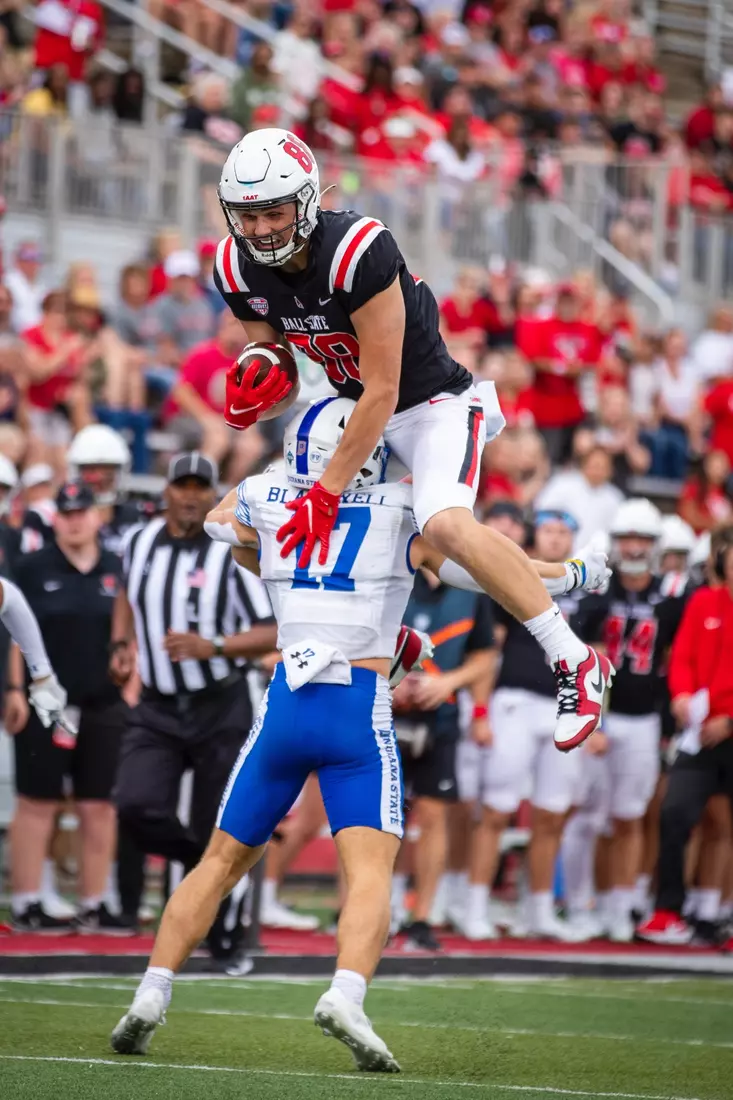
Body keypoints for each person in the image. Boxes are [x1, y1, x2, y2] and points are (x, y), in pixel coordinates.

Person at [110, 396, 612, 1067]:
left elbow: (222, 525)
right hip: (356, 709)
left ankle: (151, 992)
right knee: (370, 871)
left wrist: (277, 529)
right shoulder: (401, 508)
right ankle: (345, 993)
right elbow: (485, 566)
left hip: (285, 704)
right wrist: (572, 573)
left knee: (219, 861)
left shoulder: (262, 496)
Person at [213, 127, 613, 752]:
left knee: (443, 524)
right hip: (349, 403)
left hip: (427, 403)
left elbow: (385, 386)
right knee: (238, 524)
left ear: (307, 202)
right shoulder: (232, 264)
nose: (260, 228)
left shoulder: (357, 249)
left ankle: (573, 658)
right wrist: (263, 378)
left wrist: (328, 489)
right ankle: (395, 632)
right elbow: (279, 358)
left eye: (274, 211)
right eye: (248, 214)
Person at [110, 452, 277, 966]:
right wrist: (122, 642)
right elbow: (125, 591)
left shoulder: (230, 550)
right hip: (158, 704)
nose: (189, 495)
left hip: (219, 702)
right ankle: (192, 860)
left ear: (213, 493)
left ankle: (224, 939)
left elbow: (272, 629)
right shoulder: (137, 542)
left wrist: (216, 646)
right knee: (134, 802)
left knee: (221, 825)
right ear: (165, 492)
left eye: (199, 487)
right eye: (181, 486)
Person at [454, 510, 594, 942]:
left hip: (563, 705)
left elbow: (596, 655)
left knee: (552, 813)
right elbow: (489, 651)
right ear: (536, 536)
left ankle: (539, 909)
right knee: (496, 808)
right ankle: (474, 904)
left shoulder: (589, 592)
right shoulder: (513, 574)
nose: (555, 539)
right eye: (549, 531)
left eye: (563, 532)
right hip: (514, 700)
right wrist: (482, 711)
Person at [6, 481, 128, 932]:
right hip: (46, 701)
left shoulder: (117, 568)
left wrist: (130, 682)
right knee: (37, 801)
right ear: (55, 517)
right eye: (67, 512)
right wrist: (14, 690)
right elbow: (14, 634)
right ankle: (26, 901)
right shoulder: (32, 568)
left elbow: (130, 632)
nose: (75, 519)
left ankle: (96, 902)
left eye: (82, 511)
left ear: (96, 515)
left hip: (101, 701)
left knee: (99, 804)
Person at [569, 499, 690, 941]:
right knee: (584, 815)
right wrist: (592, 719)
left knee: (628, 817)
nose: (635, 546)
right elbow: (582, 657)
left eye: (642, 538)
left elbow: (678, 661)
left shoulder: (674, 597)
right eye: (627, 538)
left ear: (656, 544)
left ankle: (620, 906)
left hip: (642, 718)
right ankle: (580, 904)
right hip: (602, 715)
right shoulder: (600, 591)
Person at [390, 556, 496, 951]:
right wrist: (391, 681)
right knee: (377, 816)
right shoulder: (392, 572)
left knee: (434, 815)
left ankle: (422, 915)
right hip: (381, 710)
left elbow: (485, 655)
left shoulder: (471, 586)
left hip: (442, 715)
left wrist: (449, 681)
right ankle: (371, 907)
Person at [638, 525, 733, 945]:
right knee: (675, 812)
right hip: (698, 731)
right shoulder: (704, 601)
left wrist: (729, 720)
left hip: (726, 727)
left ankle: (714, 911)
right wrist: (679, 696)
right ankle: (669, 910)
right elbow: (683, 658)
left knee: (722, 825)